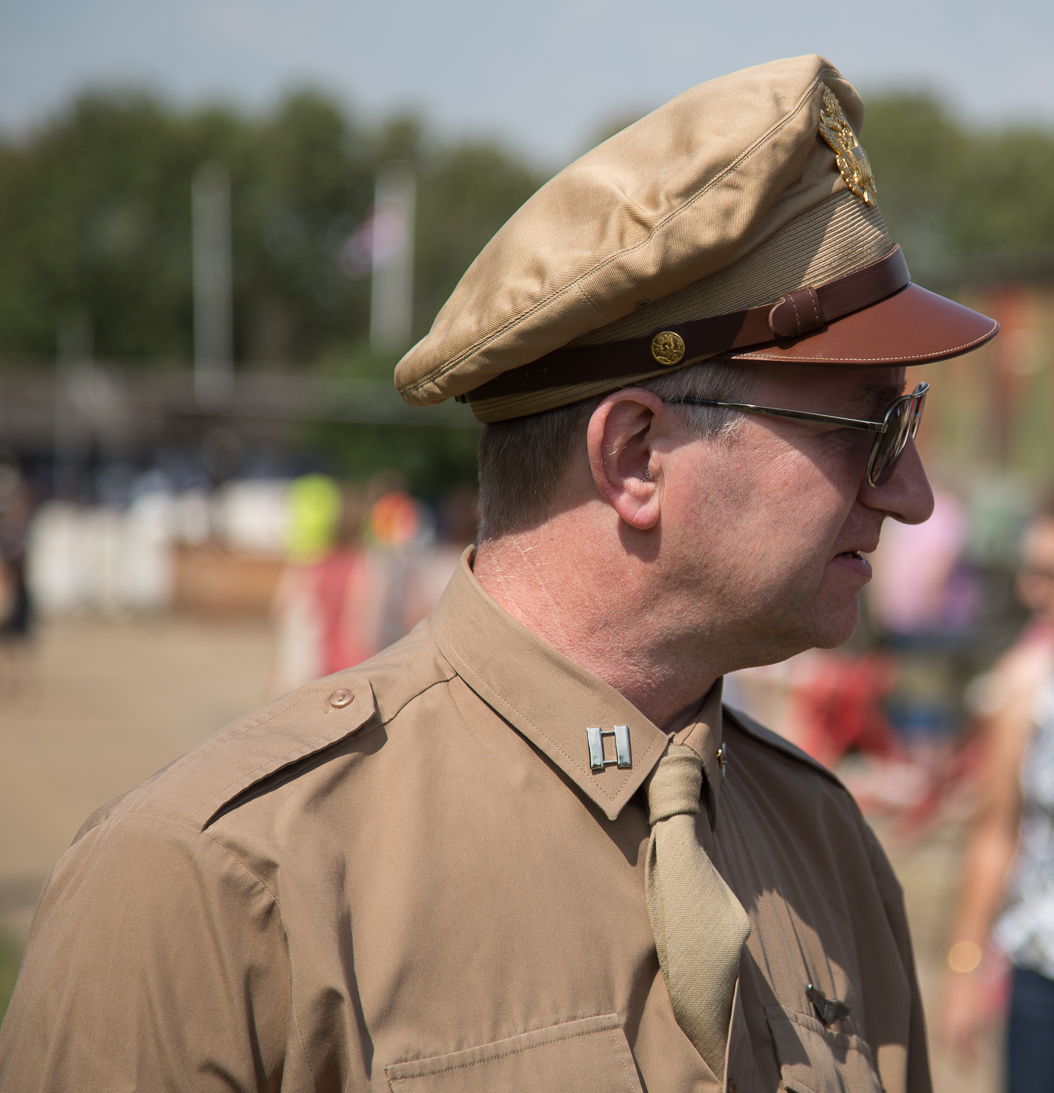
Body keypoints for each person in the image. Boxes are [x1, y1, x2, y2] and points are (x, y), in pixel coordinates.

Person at [0, 56, 998, 1092]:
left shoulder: (826, 847)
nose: (912, 494)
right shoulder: (217, 882)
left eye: (908, 422)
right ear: (636, 458)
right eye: (869, 428)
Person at [940, 490, 1054, 1091]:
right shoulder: (1026, 681)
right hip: (1042, 974)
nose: (1032, 592)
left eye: (1049, 575)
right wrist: (965, 966)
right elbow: (995, 833)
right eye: (1031, 571)